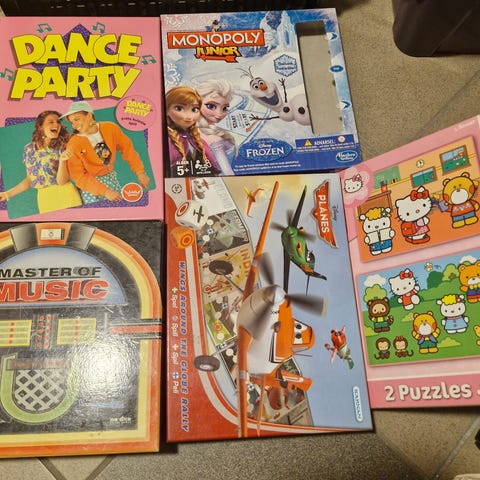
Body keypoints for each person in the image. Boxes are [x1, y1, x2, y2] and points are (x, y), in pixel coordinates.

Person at [61, 100, 150, 204]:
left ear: (89, 115)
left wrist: (140, 172)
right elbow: (79, 177)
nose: (74, 125)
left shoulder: (110, 128)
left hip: (111, 179)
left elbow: (128, 149)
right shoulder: (73, 144)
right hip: (90, 187)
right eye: (72, 122)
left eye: (77, 119)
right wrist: (105, 191)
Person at [0, 110, 81, 213]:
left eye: (58, 122)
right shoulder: (29, 149)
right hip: (43, 199)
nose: (56, 124)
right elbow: (30, 180)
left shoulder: (64, 145)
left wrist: (62, 161)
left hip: (65, 195)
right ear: (40, 126)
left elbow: (63, 181)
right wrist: (7, 194)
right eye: (51, 122)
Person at [166, 86, 218, 177]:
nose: (189, 116)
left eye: (194, 109)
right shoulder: (165, 142)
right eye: (179, 108)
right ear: (167, 110)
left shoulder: (198, 141)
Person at [196, 78, 236, 175]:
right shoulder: (215, 140)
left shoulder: (193, 132)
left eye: (224, 108)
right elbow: (228, 173)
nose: (219, 114)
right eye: (211, 106)